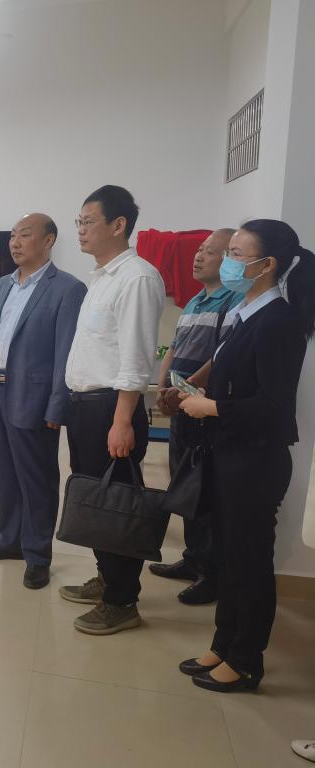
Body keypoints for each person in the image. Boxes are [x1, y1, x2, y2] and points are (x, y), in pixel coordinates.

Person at [177, 219, 314, 693]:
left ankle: (246, 660)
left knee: (250, 562)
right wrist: (200, 389)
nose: (226, 261)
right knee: (230, 558)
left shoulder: (279, 322)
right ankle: (224, 645)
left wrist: (213, 406)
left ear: (266, 264)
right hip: (231, 453)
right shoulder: (245, 313)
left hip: (256, 462)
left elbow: (275, 408)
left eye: (236, 254)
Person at [58, 185, 165, 634]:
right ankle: (107, 579)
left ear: (118, 225)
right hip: (86, 407)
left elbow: (136, 360)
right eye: (79, 222)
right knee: (97, 499)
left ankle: (122, 602)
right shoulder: (102, 277)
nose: (80, 230)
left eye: (88, 222)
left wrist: (122, 421)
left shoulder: (137, 278)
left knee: (118, 502)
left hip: (111, 409)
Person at [0, 213, 86, 589]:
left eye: (24, 235)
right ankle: (10, 540)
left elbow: (65, 352)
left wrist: (57, 405)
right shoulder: (3, 284)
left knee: (36, 478)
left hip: (34, 397)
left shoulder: (67, 288)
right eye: (12, 236)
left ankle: (37, 554)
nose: (15, 243)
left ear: (48, 241)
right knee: (4, 474)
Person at [150, 229, 241, 605]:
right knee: (183, 485)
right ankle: (192, 559)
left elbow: (221, 357)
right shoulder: (194, 301)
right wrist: (162, 388)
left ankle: (210, 573)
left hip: (204, 410)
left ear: (230, 259)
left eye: (209, 251)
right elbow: (174, 349)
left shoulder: (233, 300)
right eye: (199, 250)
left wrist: (184, 390)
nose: (198, 256)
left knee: (204, 490)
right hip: (181, 406)